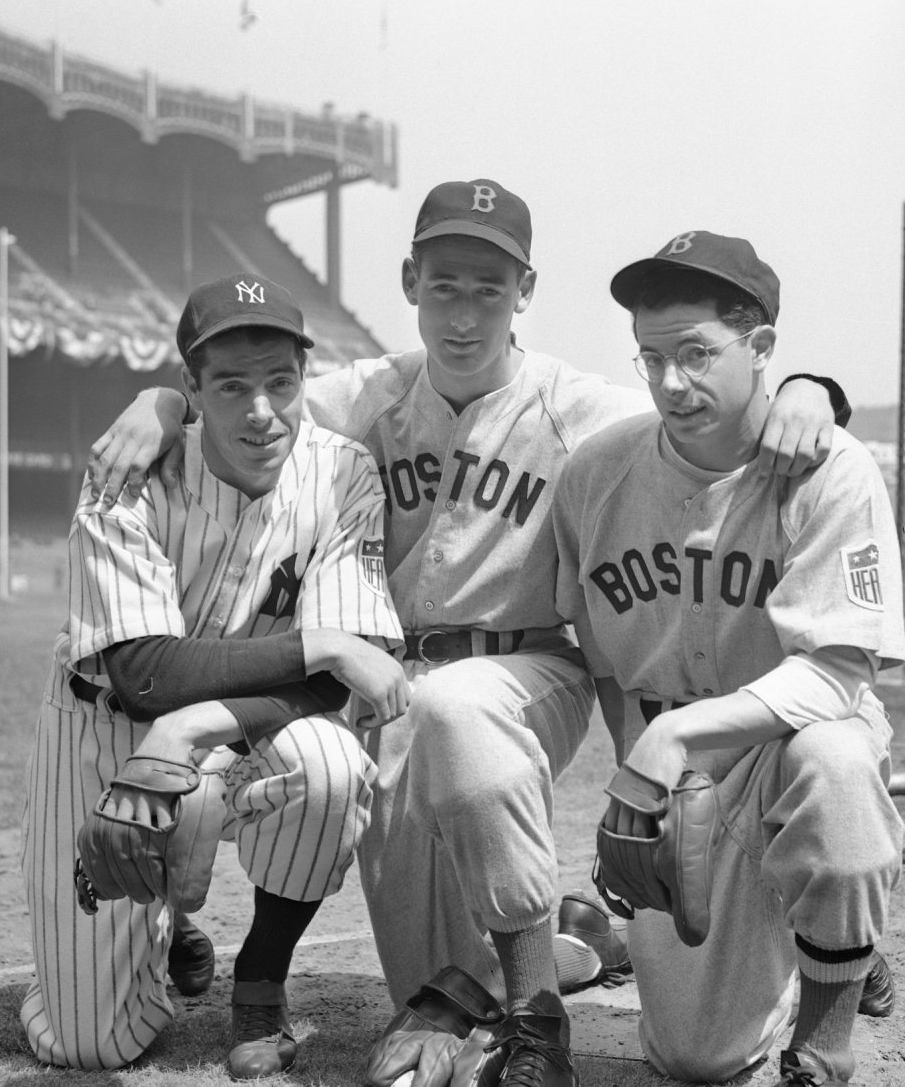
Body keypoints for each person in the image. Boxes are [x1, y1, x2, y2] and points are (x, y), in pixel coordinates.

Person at [88, 182, 845, 1083]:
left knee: (457, 740)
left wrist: (808, 385)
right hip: (384, 685)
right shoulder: (360, 396)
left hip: (525, 671)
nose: (465, 311)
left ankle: (534, 1006)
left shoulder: (579, 407)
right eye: (445, 284)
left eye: (490, 287)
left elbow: (708, 409)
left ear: (526, 290)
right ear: (410, 280)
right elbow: (247, 394)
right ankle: (576, 944)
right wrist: (160, 402)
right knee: (432, 984)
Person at [21, 273, 407, 1076]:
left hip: (239, 730)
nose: (261, 411)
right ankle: (155, 933)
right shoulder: (126, 477)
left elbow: (345, 686)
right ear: (191, 390)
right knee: (88, 1045)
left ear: (304, 380)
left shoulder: (343, 474)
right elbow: (142, 676)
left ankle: (261, 977)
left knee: (331, 767)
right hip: (104, 731)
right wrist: (322, 645)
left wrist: (197, 728)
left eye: (281, 382)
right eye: (231, 385)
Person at [551, 231, 903, 1086]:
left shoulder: (833, 470)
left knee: (836, 762)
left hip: (790, 749)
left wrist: (672, 744)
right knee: (697, 1060)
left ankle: (827, 1032)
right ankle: (807, 928)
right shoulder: (595, 474)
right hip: (677, 773)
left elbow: (837, 674)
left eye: (699, 353)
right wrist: (647, 784)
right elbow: (600, 653)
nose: (673, 383)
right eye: (652, 358)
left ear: (763, 349)